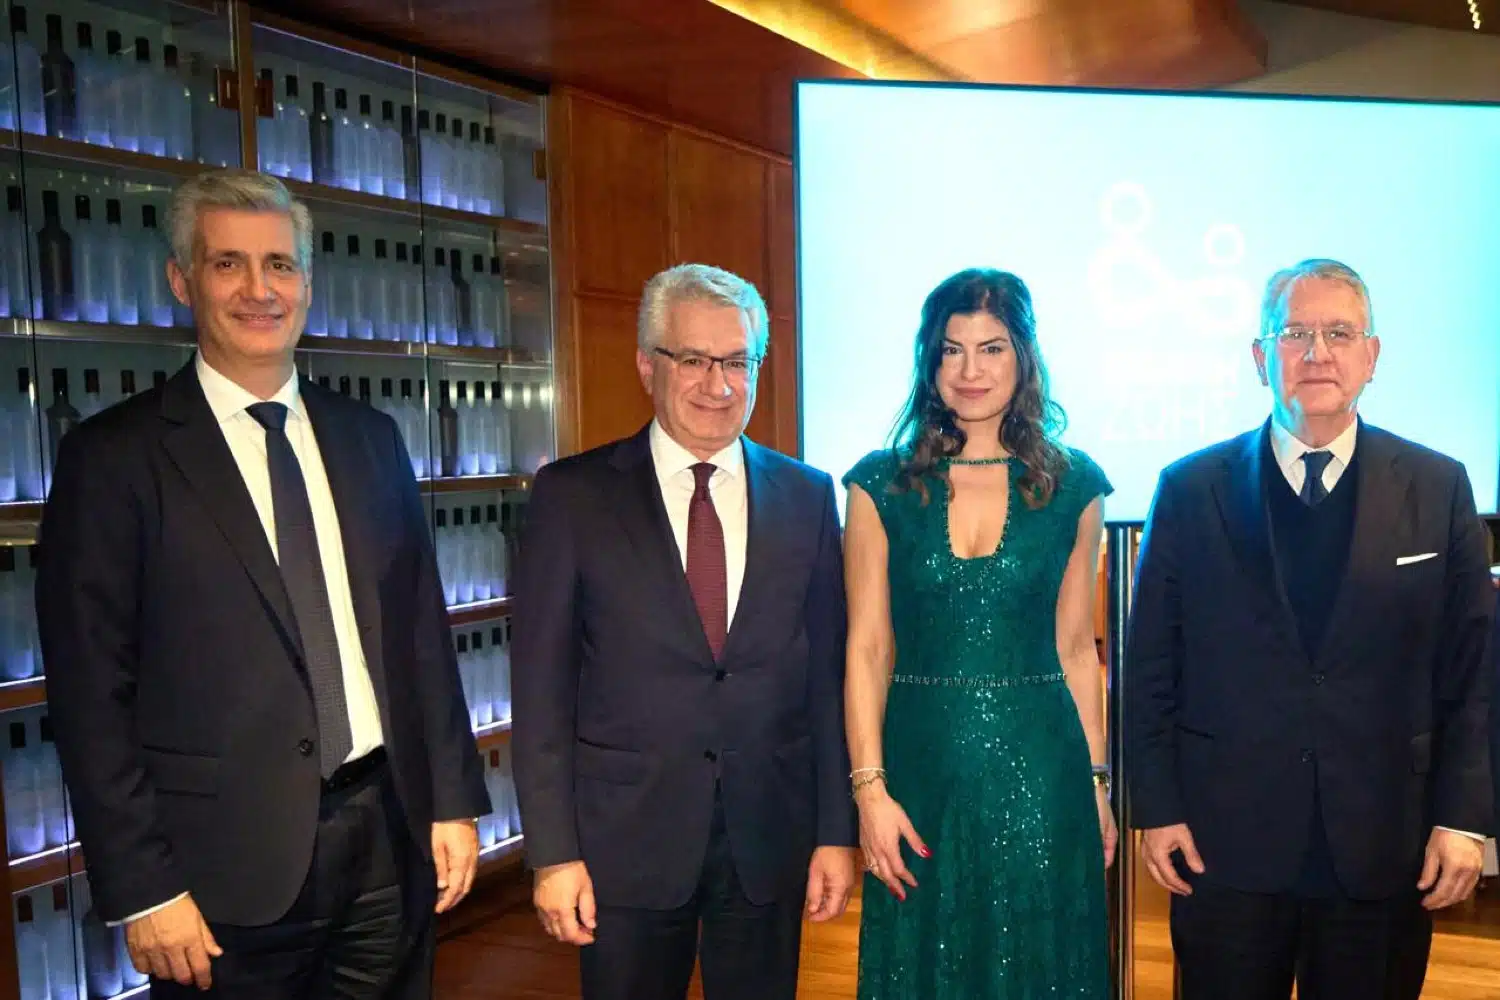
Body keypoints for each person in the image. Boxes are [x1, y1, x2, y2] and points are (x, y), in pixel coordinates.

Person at [34, 169, 490, 998]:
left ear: (307, 283)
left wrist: (452, 800)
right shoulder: (113, 459)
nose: (259, 289)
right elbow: (88, 692)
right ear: (181, 281)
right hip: (217, 873)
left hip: (387, 840)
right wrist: (144, 888)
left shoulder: (371, 438)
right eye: (228, 264)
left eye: (279, 265)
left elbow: (421, 635)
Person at [1127, 258, 1494, 1000]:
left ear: (1372, 355)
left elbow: (1473, 672)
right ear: (1260, 358)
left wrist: (1463, 819)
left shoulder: (1439, 485)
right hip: (1224, 846)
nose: (1317, 352)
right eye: (1294, 334)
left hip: (1384, 844)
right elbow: (1151, 666)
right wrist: (1156, 808)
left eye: (1339, 333)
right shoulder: (1190, 488)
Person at [511, 263, 858, 1000]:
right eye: (694, 359)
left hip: (769, 838)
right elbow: (540, 692)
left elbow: (826, 680)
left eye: (737, 361)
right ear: (648, 364)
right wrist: (552, 853)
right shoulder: (572, 497)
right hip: (621, 844)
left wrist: (836, 831)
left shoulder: (807, 496)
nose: (717, 384)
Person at [842, 268, 1115, 999]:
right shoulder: (879, 484)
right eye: (952, 349)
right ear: (930, 362)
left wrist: (1096, 783)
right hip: (918, 776)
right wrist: (869, 792)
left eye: (991, 348)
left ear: (1023, 357)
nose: (970, 370)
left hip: (1044, 779)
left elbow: (1075, 651)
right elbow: (867, 649)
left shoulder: (1073, 485)